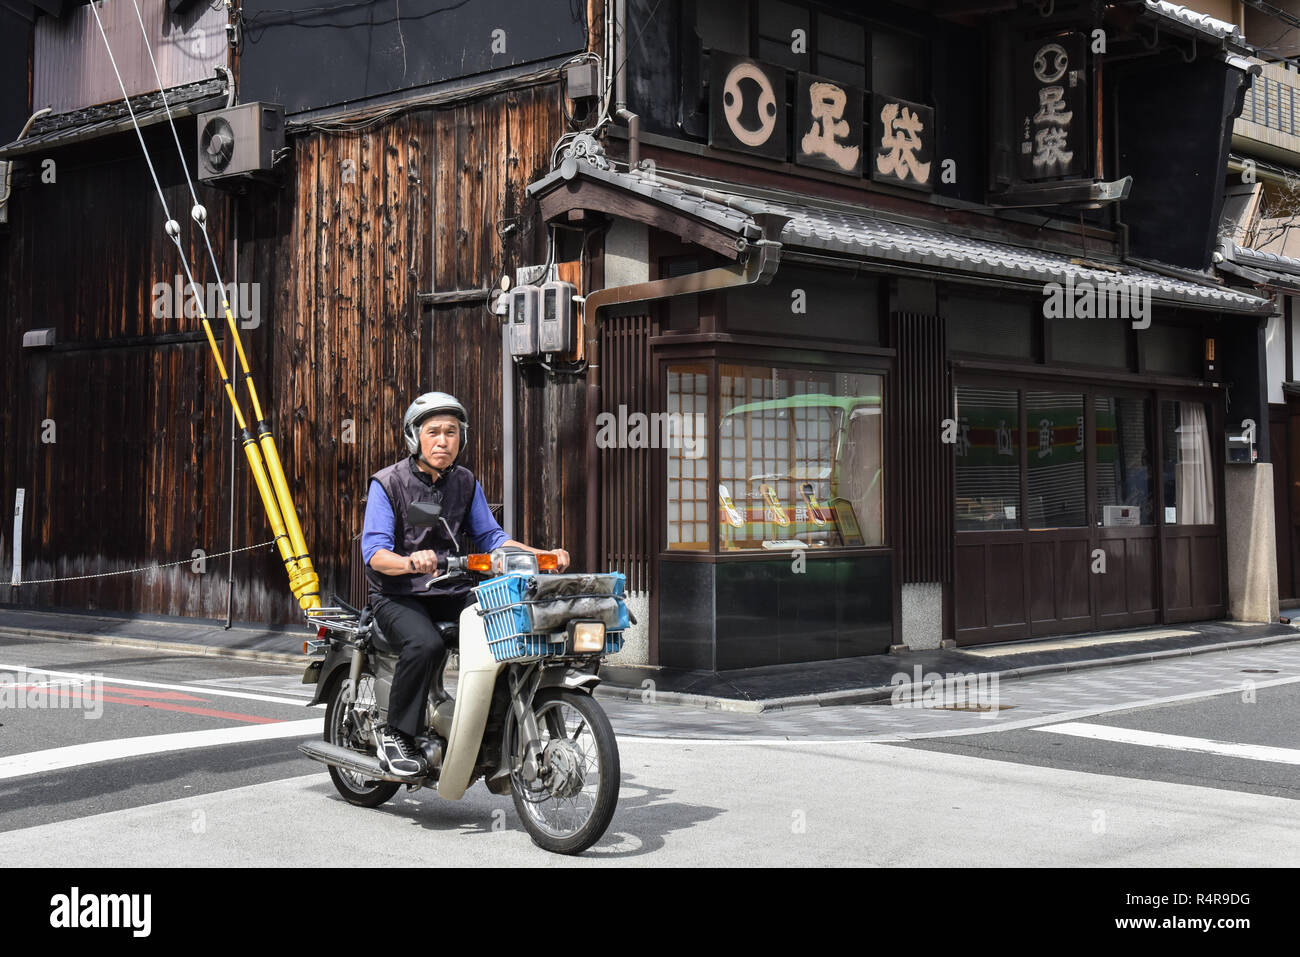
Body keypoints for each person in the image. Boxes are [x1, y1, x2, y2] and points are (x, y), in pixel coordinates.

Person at [361, 391, 570, 776]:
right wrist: (409, 561)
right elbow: (374, 552)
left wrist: (544, 556)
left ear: (462, 438)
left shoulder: (465, 483)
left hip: (452, 590)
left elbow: (492, 538)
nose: (443, 440)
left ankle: (492, 731)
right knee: (425, 643)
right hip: (399, 594)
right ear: (414, 437)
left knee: (507, 631)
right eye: (434, 432)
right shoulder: (387, 484)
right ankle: (395, 735)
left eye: (452, 432)